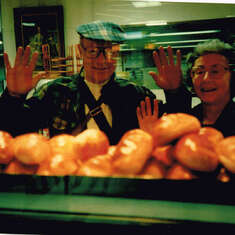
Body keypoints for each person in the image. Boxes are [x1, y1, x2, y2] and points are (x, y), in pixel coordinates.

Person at [0, 21, 190, 144]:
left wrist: (175, 93)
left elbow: (178, 135)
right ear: (80, 51)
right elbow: (12, 133)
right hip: (68, 184)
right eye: (93, 51)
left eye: (110, 52)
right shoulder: (55, 92)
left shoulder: (136, 96)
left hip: (121, 185)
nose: (102, 60)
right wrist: (13, 97)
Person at [138, 39, 235, 137]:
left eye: (215, 71)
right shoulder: (187, 119)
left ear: (232, 76)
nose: (206, 79)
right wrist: (152, 136)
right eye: (199, 72)